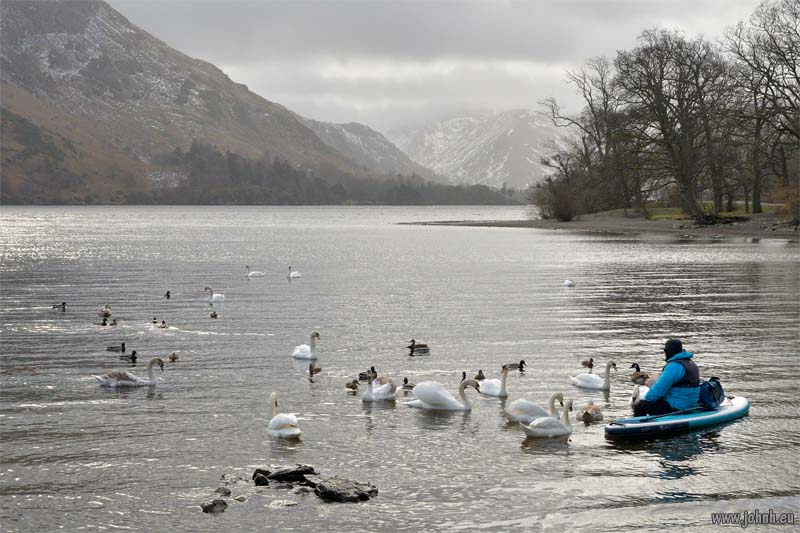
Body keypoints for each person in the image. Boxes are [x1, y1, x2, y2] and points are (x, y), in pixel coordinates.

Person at [633, 339, 700, 417]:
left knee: (640, 405)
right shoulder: (691, 363)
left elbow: (656, 393)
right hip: (690, 405)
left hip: (677, 407)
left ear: (667, 351)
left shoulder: (674, 366)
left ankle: (638, 426)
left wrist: (650, 388)